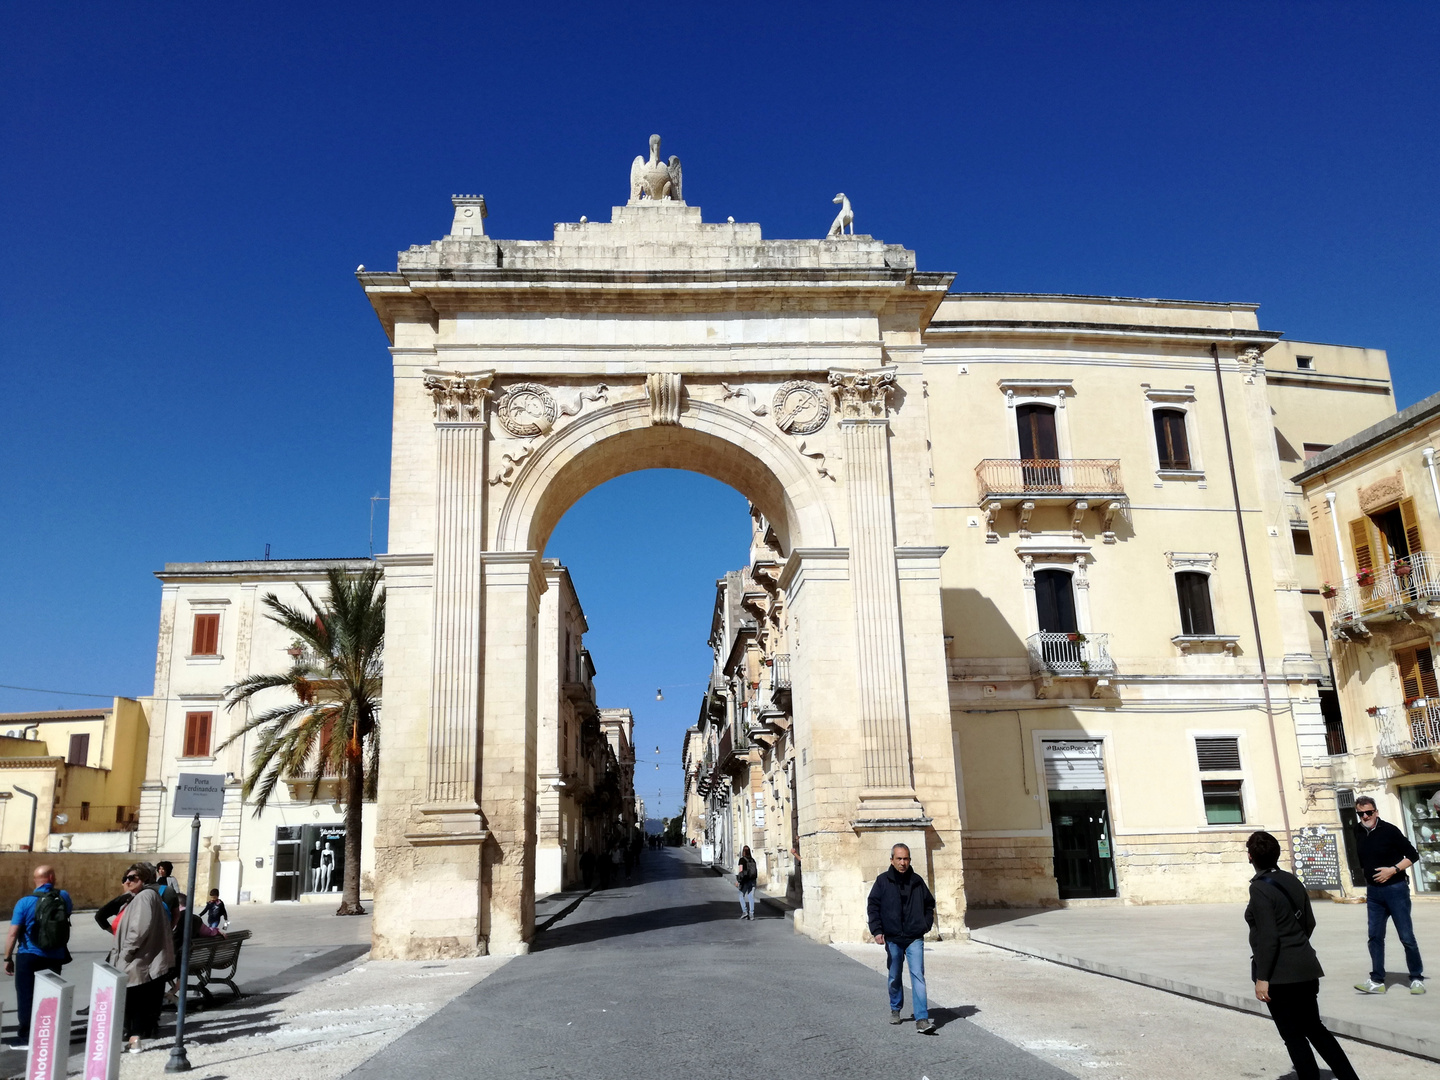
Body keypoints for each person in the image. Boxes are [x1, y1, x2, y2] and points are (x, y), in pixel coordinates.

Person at [1244, 830, 1359, 1080]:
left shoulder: (1260, 889)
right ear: (1277, 854)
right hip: (1306, 967)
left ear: (1250, 857)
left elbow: (1268, 937)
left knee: (1293, 1035)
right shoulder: (1292, 880)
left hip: (1279, 975)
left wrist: (1262, 977)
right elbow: (1310, 923)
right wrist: (1296, 947)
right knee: (1315, 1029)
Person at [1352, 795, 1425, 994]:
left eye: (1368, 812)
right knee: (1374, 936)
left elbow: (1413, 855)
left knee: (1406, 936)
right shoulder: (1357, 830)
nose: (1365, 817)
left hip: (1396, 890)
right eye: (1361, 814)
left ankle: (1417, 977)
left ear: (1376, 812)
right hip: (1374, 893)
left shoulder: (1390, 831)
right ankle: (1377, 980)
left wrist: (1392, 870)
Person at [866, 843, 936, 1034]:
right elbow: (873, 905)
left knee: (918, 976)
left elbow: (929, 904)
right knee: (894, 975)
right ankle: (895, 1008)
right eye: (899, 859)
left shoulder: (917, 881)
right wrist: (877, 930)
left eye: (905, 859)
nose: (902, 862)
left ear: (909, 860)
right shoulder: (882, 881)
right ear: (892, 860)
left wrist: (925, 924)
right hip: (893, 937)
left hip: (914, 936)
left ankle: (922, 1018)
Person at [108, 862, 176, 1053]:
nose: (128, 881)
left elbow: (139, 929)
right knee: (136, 1002)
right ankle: (135, 1039)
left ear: (145, 879)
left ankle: (135, 1041)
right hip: (141, 959)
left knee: (134, 1002)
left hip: (138, 960)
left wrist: (126, 953)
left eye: (133, 878)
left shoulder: (145, 897)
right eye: (126, 878)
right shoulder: (139, 898)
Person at [3, 865, 72, 1050]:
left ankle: (27, 1038)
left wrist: (7, 958)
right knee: (50, 995)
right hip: (55, 956)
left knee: (26, 996)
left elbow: (13, 933)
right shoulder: (63, 897)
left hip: (29, 955)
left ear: (36, 880)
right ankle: (49, 1034)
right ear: (51, 877)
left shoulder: (24, 902)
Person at [736, 845, 758, 920]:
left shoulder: (742, 860)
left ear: (743, 852)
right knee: (751, 897)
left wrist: (738, 881)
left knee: (741, 895)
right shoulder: (753, 860)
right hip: (753, 880)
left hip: (745, 880)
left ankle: (745, 912)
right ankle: (751, 914)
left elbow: (740, 871)